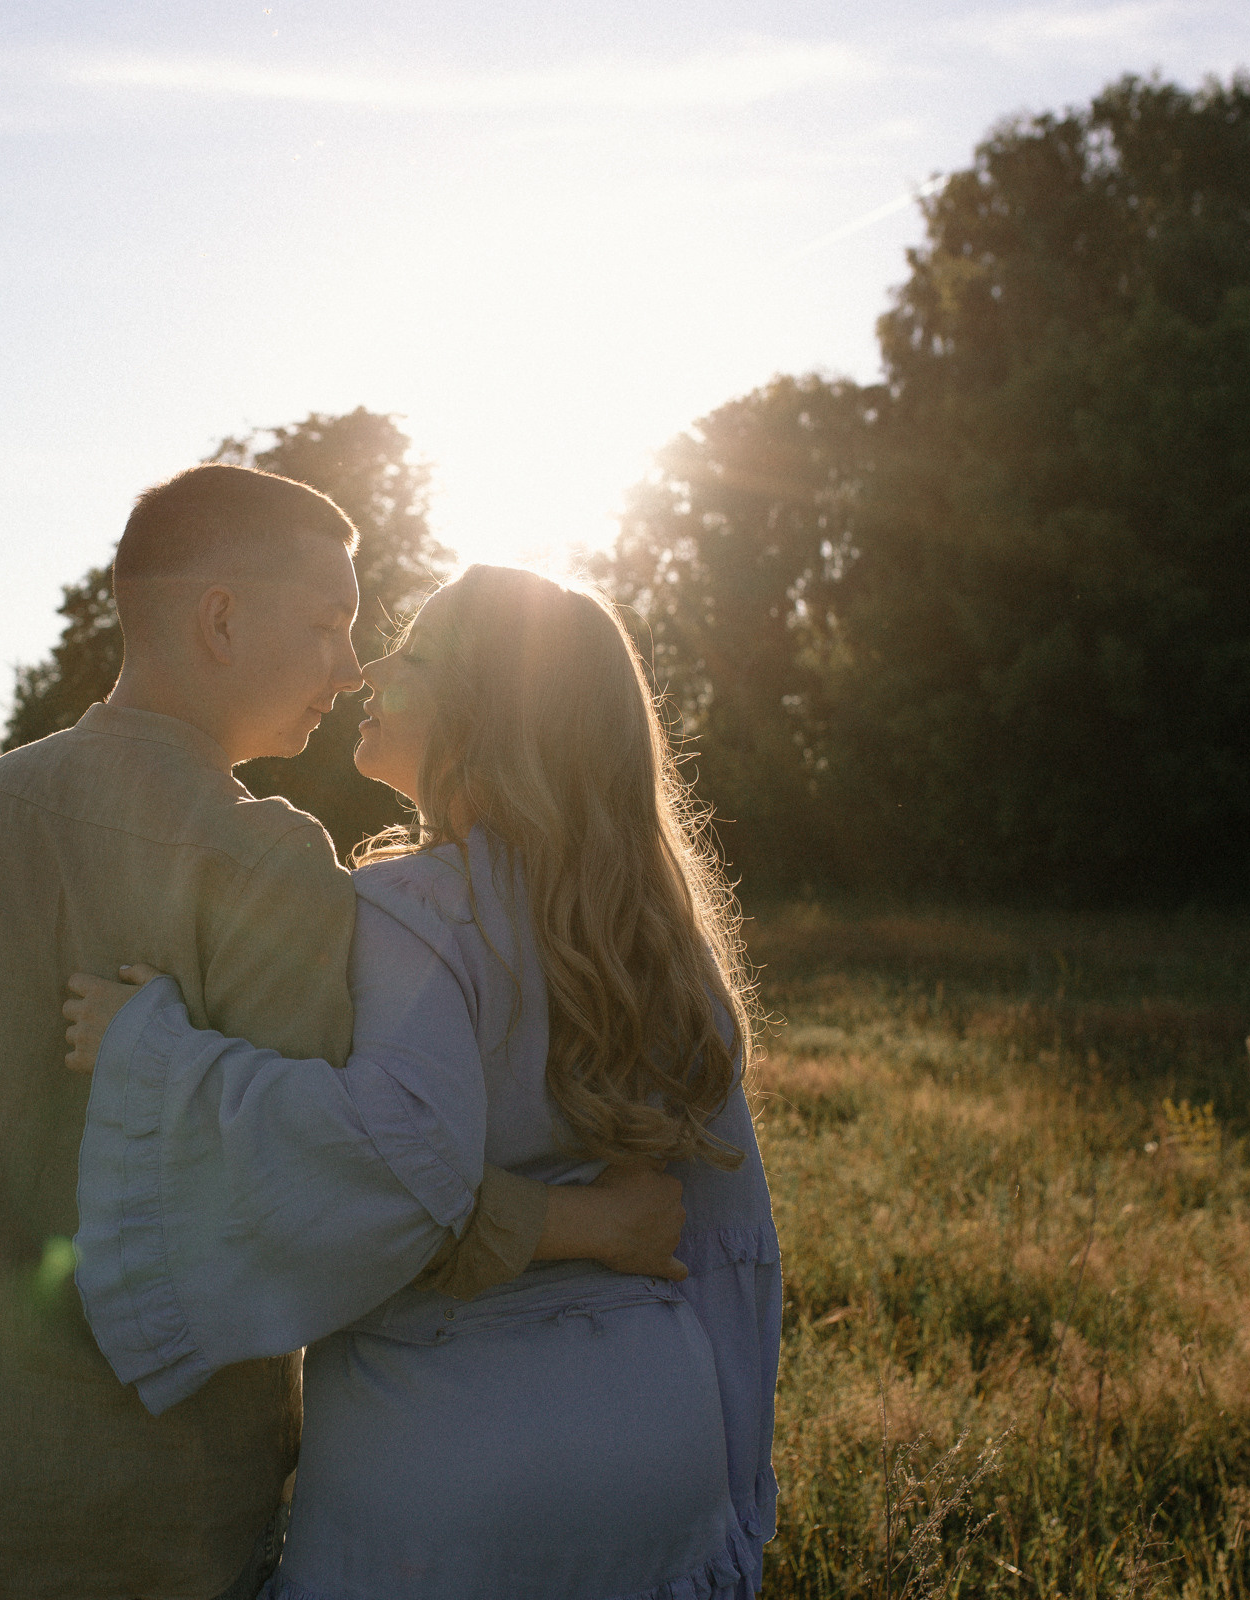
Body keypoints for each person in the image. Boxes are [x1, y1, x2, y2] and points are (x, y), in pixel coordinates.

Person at [0, 469, 688, 1600]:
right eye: (329, 623)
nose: (351, 667)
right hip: (154, 1529)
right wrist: (587, 1222)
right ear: (221, 619)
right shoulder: (266, 864)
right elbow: (349, 1195)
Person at [60, 564, 781, 1599]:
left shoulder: (411, 909)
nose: (366, 672)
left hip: (451, 1458)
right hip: (662, 1436)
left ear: (483, 717)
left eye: (412, 656)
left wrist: (156, 1056)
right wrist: (733, 1468)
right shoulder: (664, 940)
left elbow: (382, 1167)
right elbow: (728, 1235)